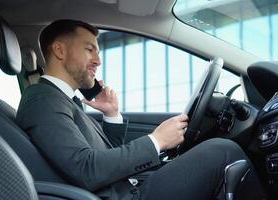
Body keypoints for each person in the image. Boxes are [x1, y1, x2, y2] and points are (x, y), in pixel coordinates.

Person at [16, 19, 265, 200]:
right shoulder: (43, 101)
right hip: (124, 196)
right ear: (60, 50)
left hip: (124, 188)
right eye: (89, 49)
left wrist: (111, 114)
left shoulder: (62, 100)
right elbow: (86, 170)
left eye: (98, 52)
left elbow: (101, 156)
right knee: (222, 151)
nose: (98, 60)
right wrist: (156, 141)